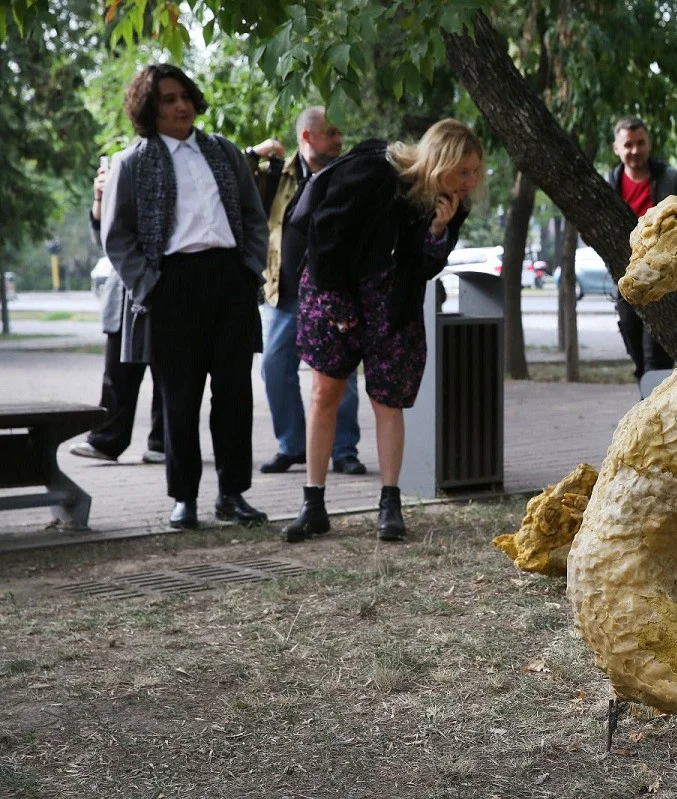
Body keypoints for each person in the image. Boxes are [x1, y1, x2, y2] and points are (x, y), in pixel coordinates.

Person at [280, 119, 482, 543]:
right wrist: (336, 303)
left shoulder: (450, 203)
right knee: (325, 394)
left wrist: (438, 231)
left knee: (388, 401)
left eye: (476, 171)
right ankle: (313, 503)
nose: (471, 181)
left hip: (392, 305)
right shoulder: (375, 170)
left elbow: (426, 267)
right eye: (463, 170)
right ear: (439, 160)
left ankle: (390, 504)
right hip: (334, 291)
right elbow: (326, 234)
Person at [100, 63, 270, 530]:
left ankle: (233, 495)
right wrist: (151, 287)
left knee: (234, 395)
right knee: (179, 398)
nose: (180, 106)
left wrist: (249, 267)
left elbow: (255, 217)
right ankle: (184, 498)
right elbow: (117, 238)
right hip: (172, 286)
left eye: (184, 97)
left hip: (230, 281)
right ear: (149, 110)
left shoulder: (223, 152)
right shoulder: (132, 163)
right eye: (167, 100)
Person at [243, 107, 366, 477]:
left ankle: (343, 450)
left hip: (334, 293)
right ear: (307, 136)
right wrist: (254, 154)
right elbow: (234, 182)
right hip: (285, 294)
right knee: (273, 368)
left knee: (338, 374)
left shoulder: (348, 174)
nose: (340, 140)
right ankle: (292, 446)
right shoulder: (278, 175)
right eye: (332, 132)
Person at [70, 159, 166, 466]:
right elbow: (103, 239)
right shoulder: (115, 187)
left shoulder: (159, 187)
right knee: (116, 374)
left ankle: (164, 442)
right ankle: (106, 440)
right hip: (122, 292)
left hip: (160, 286)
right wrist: (101, 197)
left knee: (168, 373)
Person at [604, 117, 677, 380]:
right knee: (637, 351)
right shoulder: (607, 187)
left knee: (657, 357)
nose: (635, 151)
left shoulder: (673, 179)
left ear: (649, 144)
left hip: (665, 284)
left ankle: (653, 408)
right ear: (616, 148)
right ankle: (647, 404)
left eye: (640, 143)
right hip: (626, 283)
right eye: (628, 145)